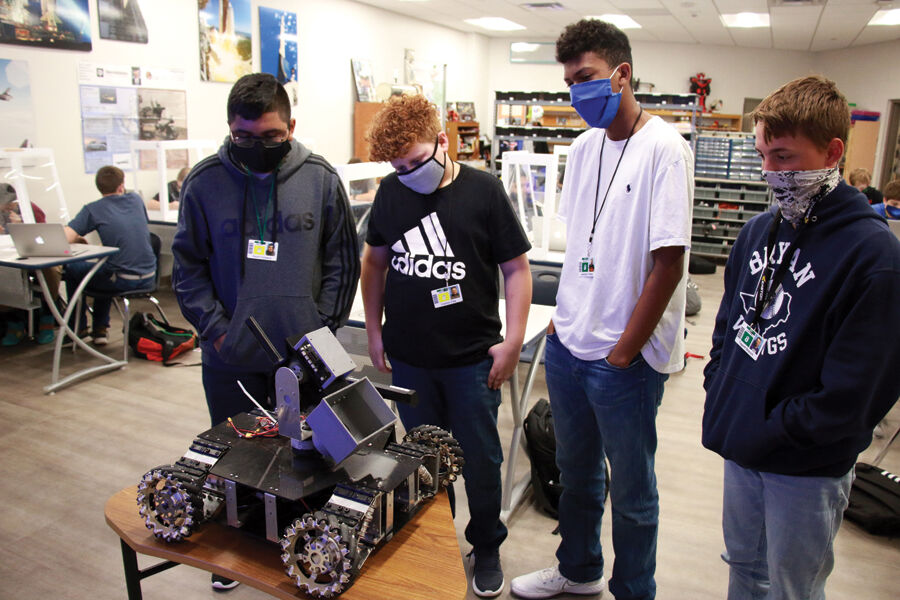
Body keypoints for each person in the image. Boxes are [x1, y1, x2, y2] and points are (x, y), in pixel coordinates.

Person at [511, 19, 693, 600]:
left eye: (585, 78)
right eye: (569, 83)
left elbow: (667, 266)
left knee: (634, 494)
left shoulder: (665, 149)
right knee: (578, 476)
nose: (576, 93)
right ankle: (579, 571)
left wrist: (623, 353)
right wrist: (566, 329)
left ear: (622, 74)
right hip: (568, 345)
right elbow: (585, 248)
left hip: (624, 360)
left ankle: (634, 590)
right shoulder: (584, 148)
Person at [702, 75, 900, 600]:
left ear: (833, 152)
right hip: (744, 449)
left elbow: (853, 397)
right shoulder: (757, 231)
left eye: (785, 157)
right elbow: (728, 327)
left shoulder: (875, 258)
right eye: (763, 155)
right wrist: (721, 391)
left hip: (807, 469)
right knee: (743, 568)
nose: (771, 173)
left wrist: (763, 428)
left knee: (794, 587)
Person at [172, 72, 359, 591]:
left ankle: (308, 550)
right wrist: (214, 331)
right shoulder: (205, 182)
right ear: (230, 130)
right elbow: (187, 265)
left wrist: (320, 332)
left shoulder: (320, 178)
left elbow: (342, 261)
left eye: (271, 137)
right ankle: (236, 554)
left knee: (313, 457)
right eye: (244, 138)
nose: (257, 147)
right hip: (231, 356)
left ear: (291, 126)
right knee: (236, 458)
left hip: (306, 357)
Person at [361, 94, 532, 598]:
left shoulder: (483, 190)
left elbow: (517, 269)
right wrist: (374, 329)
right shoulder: (391, 194)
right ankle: (434, 541)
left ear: (442, 141)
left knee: (480, 459)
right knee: (423, 458)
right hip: (412, 358)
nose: (409, 172)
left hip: (471, 360)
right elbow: (375, 263)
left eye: (417, 161)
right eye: (399, 166)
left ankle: (486, 545)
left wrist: (514, 340)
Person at [63, 165, 155, 346]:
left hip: (122, 279)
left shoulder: (93, 209)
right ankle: (100, 330)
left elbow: (66, 237)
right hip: (150, 275)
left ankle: (79, 329)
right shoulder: (136, 200)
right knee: (102, 267)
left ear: (99, 187)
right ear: (121, 186)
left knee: (74, 270)